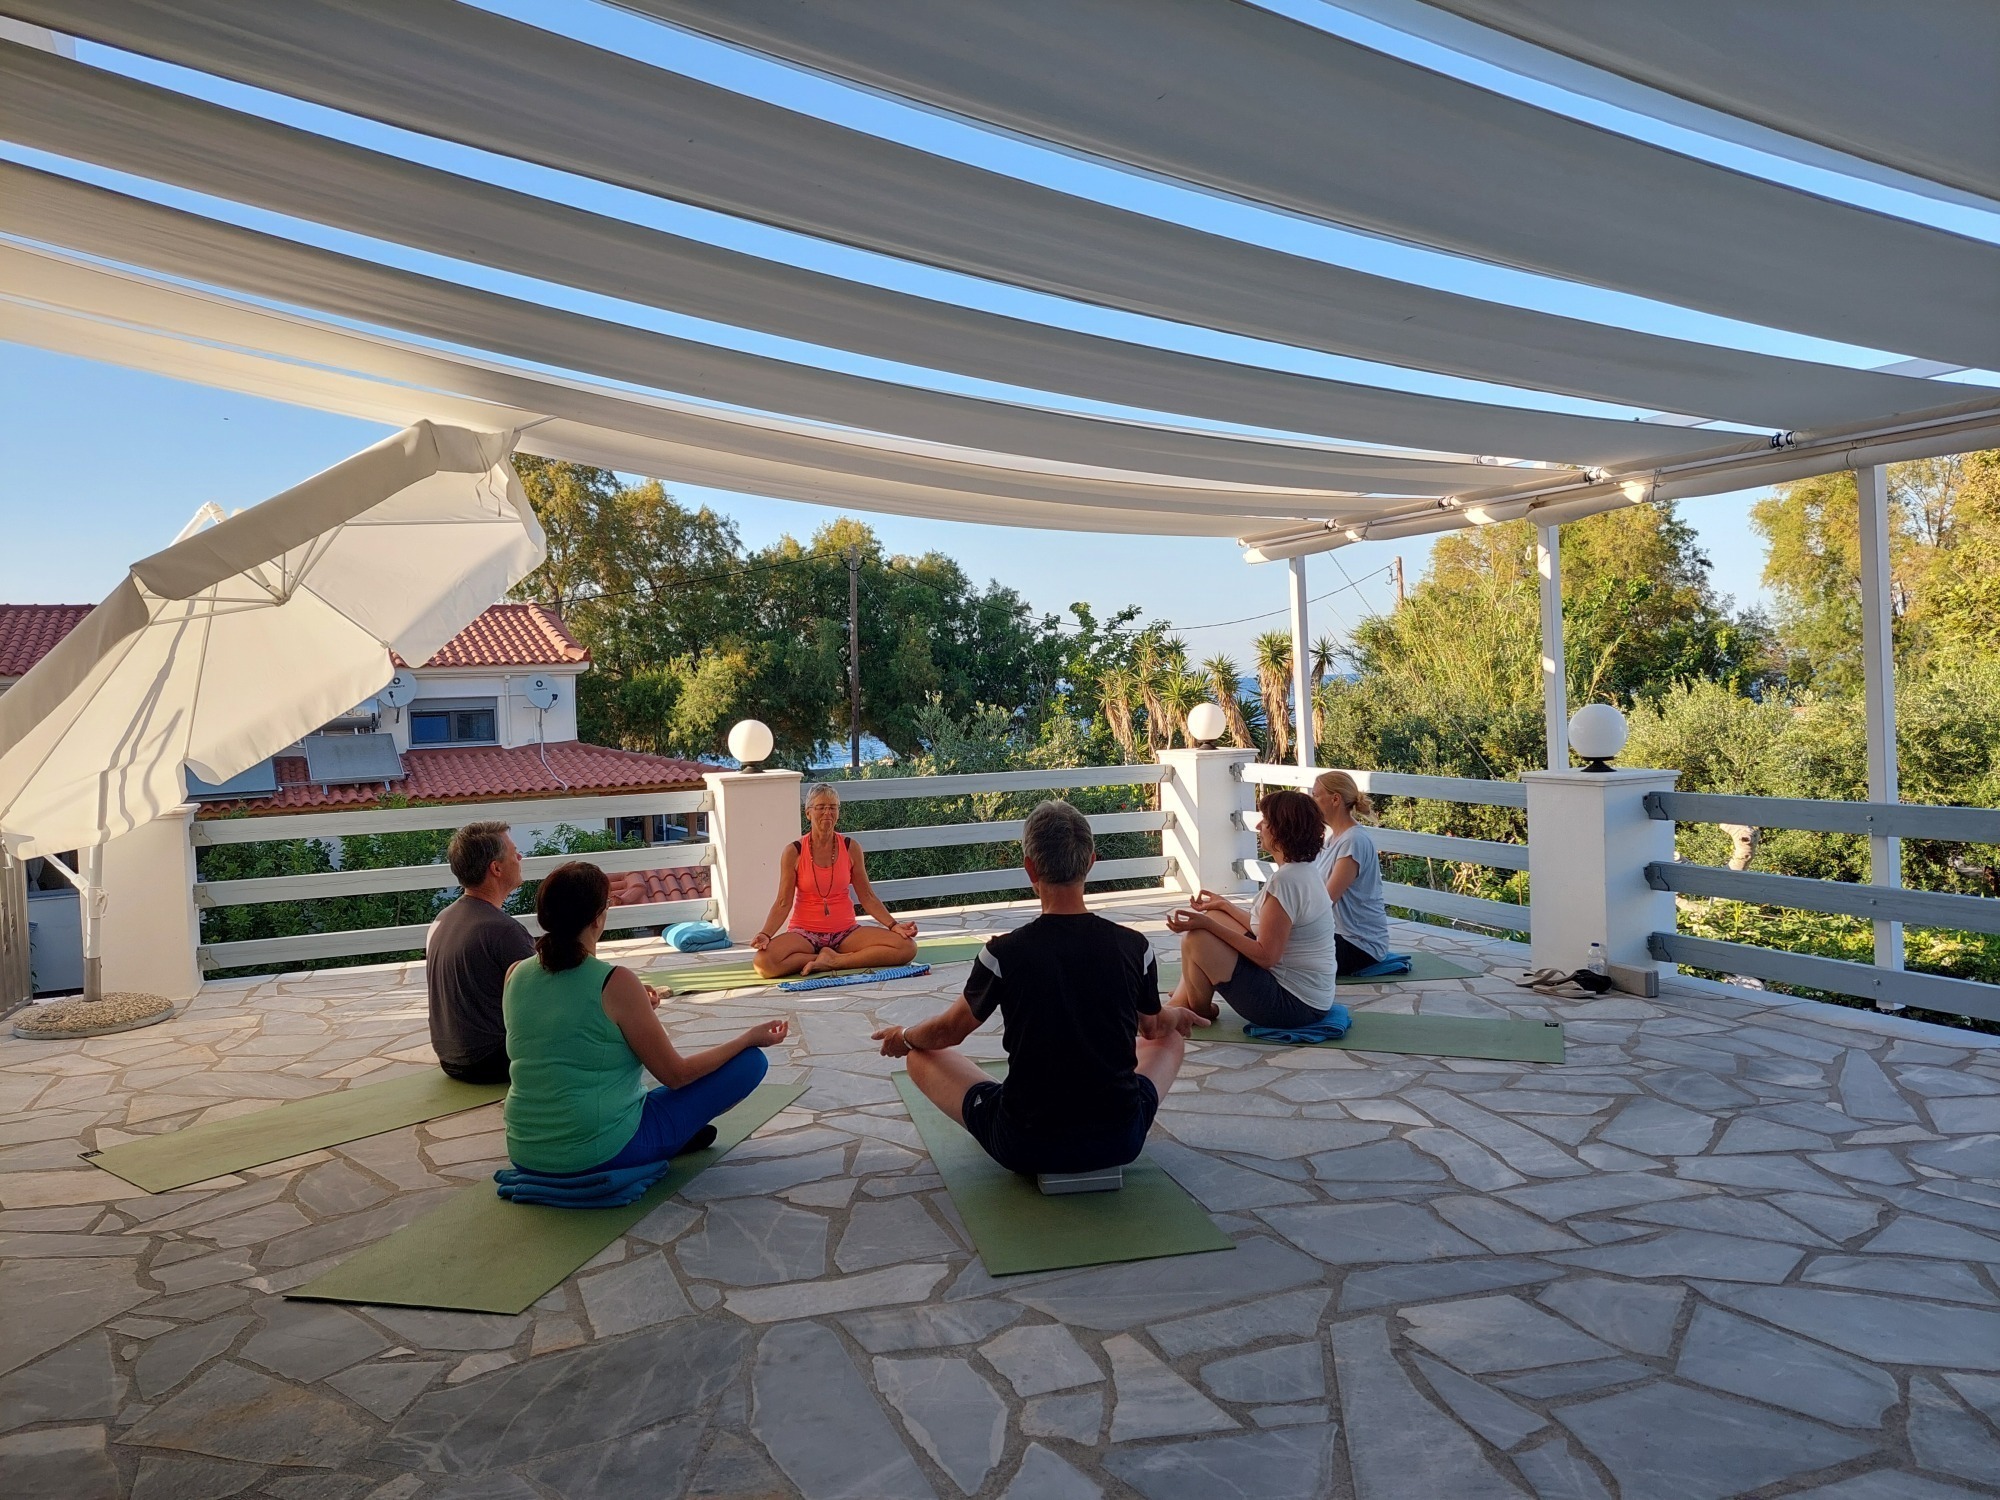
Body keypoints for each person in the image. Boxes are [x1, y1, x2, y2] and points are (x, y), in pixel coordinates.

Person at [872, 800, 1199, 1175]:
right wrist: (1177, 1014)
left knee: (919, 1054)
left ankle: (1010, 1102)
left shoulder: (1002, 953)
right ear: (1091, 862)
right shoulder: (1134, 947)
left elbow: (950, 1031)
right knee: (1170, 1038)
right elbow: (1153, 1027)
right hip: (1119, 1140)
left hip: (1024, 1144)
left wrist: (904, 1037)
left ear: (1029, 867)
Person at [502, 861, 789, 1176]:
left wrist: (636, 1008)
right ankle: (668, 1141)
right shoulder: (616, 981)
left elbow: (563, 1035)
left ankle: (672, 1138)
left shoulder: (515, 973)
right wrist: (747, 1039)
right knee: (750, 1063)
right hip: (598, 1152)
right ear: (598, 918)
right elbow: (677, 1075)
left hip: (525, 1151)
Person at [1167, 789, 1337, 1027]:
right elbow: (1266, 929)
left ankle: (1199, 1010)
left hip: (1294, 1006)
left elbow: (1266, 956)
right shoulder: (1303, 871)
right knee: (1217, 915)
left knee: (1196, 938)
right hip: (1311, 998)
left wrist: (1208, 925)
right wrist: (1224, 906)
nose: (1258, 826)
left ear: (1281, 830)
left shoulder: (1286, 881)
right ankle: (1180, 1002)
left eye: (1265, 821)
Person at [752, 783, 918, 977]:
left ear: (838, 812)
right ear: (808, 813)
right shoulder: (793, 851)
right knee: (763, 963)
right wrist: (766, 934)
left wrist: (893, 925)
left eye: (832, 807)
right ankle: (820, 958)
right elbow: (783, 902)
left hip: (846, 932)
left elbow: (867, 896)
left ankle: (836, 961)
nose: (827, 813)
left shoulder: (850, 847)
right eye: (820, 807)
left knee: (907, 947)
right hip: (804, 934)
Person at [427, 821, 535, 1084]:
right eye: (515, 853)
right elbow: (544, 1000)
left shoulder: (443, 919)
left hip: (450, 1058)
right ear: (496, 868)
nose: (520, 858)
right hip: (490, 1061)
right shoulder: (504, 931)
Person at [1312, 770, 1394, 974]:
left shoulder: (1354, 841)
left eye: (1315, 796)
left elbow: (1326, 900)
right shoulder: (1333, 839)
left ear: (1335, 799)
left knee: (1279, 950)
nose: (1312, 802)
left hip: (1359, 945)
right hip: (1338, 936)